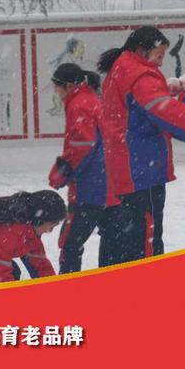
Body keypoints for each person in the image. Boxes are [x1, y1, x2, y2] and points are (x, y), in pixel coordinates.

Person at [97, 25, 185, 265]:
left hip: (127, 172)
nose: (161, 61)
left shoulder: (123, 68)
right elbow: (167, 114)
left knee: (122, 244)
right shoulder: (139, 75)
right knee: (145, 246)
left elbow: (157, 117)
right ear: (142, 49)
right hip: (141, 173)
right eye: (159, 54)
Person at [48, 63, 110, 273]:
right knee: (111, 242)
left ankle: (68, 287)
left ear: (68, 86)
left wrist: (60, 173)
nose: (57, 94)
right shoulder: (91, 98)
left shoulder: (79, 104)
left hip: (89, 189)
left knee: (69, 244)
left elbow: (82, 146)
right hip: (107, 185)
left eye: (57, 89)